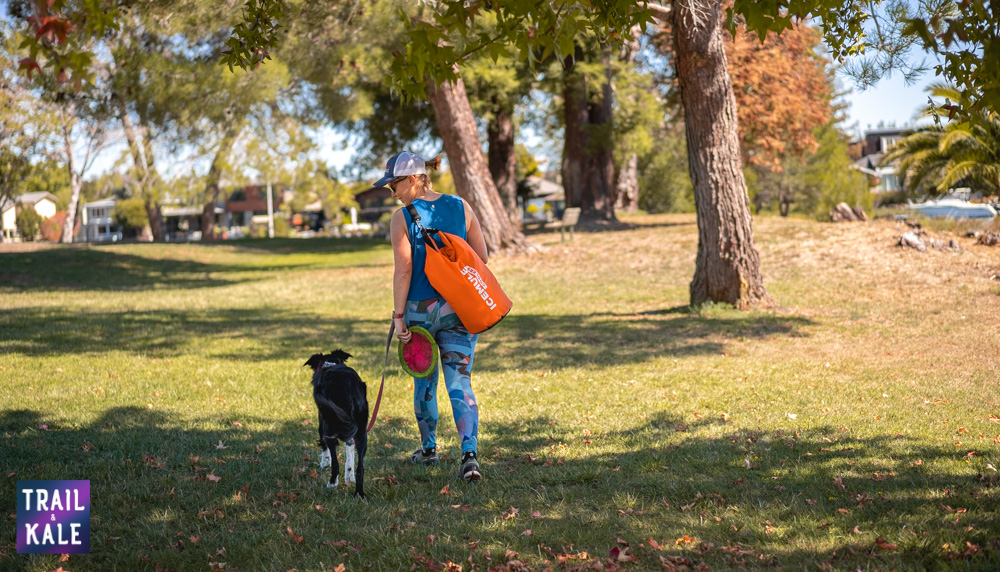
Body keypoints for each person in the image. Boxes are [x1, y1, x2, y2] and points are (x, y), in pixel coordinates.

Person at [375, 151, 489, 482]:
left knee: (424, 382)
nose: (391, 193)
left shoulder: (402, 217)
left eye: (393, 185)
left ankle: (428, 451)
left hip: (419, 313)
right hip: (459, 310)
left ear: (412, 180)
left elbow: (404, 268)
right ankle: (469, 455)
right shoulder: (461, 206)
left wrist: (398, 317)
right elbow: (481, 257)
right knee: (459, 381)